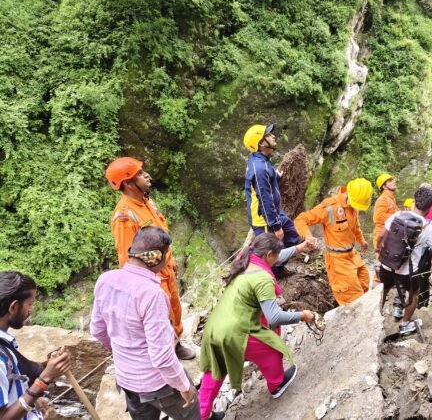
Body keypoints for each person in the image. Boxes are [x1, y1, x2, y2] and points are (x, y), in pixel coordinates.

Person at [199, 234, 315, 420]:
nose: (277, 259)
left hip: (215, 327)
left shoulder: (245, 259)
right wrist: (302, 316)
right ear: (268, 254)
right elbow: (274, 316)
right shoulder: (263, 279)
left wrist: (300, 247)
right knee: (271, 348)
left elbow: (278, 257)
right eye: (275, 255)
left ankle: (201, 414)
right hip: (237, 330)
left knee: (215, 369)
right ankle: (276, 384)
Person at [90, 227, 199, 420]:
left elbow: (97, 330)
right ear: (156, 258)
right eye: (167, 255)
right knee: (192, 413)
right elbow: (161, 357)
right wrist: (184, 386)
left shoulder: (105, 280)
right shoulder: (152, 294)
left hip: (126, 379)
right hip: (157, 383)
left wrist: (124, 351)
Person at [105, 157, 195, 360]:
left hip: (165, 267)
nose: (146, 175)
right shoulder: (124, 217)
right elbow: (127, 256)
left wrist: (170, 260)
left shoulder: (147, 202)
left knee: (174, 308)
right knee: (161, 316)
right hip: (150, 276)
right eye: (139, 173)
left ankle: (176, 343)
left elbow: (161, 234)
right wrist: (142, 287)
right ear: (128, 183)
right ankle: (165, 353)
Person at [0, 271, 72, 420]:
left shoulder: (5, 344)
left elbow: (10, 386)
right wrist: (44, 379)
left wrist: (33, 400)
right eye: (30, 304)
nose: (31, 310)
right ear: (13, 307)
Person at [379, 186, 432, 335]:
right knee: (414, 294)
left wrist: (380, 250)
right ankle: (405, 325)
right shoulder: (427, 227)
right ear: (430, 207)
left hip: (387, 263)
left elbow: (381, 235)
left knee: (384, 289)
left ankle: (377, 316)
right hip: (407, 271)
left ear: (414, 200)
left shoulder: (398, 215)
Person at [294, 178, 373, 306]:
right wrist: (308, 236)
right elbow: (301, 219)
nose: (357, 207)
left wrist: (362, 241)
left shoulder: (354, 206)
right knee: (353, 298)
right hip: (338, 260)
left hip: (352, 254)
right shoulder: (330, 207)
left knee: (364, 281)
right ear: (349, 195)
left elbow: (355, 227)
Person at [243, 123, 300, 253]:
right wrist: (276, 226)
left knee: (292, 236)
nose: (273, 136)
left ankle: (280, 260)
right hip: (264, 220)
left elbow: (264, 178)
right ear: (260, 144)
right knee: (271, 252)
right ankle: (274, 265)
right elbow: (265, 200)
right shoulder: (260, 169)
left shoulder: (261, 158)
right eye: (268, 135)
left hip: (273, 212)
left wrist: (275, 176)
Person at [372, 173, 399, 252]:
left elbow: (398, 213)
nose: (393, 181)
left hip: (390, 235)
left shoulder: (391, 199)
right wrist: (396, 216)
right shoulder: (382, 199)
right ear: (384, 187)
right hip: (382, 236)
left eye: (393, 180)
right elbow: (378, 217)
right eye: (390, 181)